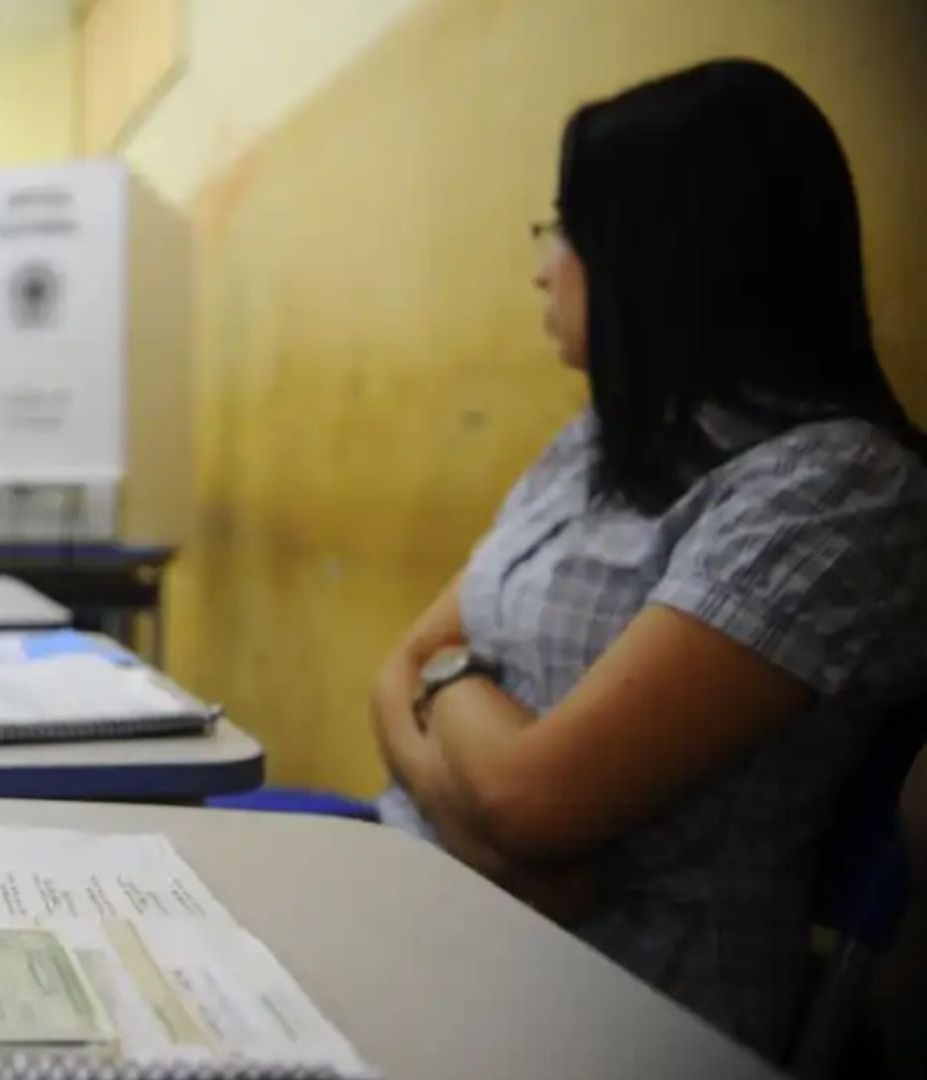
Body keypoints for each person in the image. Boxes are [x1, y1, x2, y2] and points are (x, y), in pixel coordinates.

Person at [369, 58, 927, 1058]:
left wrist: (451, 697)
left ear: (667, 249)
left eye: (566, 230)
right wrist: (495, 846)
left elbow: (531, 798)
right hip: (444, 909)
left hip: (610, 1014)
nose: (543, 266)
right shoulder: (604, 440)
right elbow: (393, 671)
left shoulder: (837, 489)